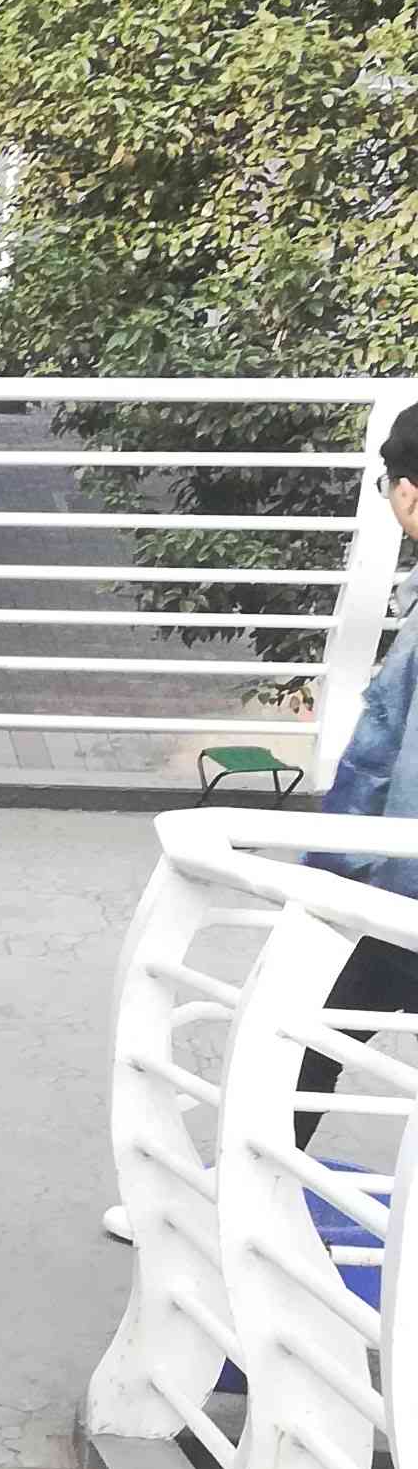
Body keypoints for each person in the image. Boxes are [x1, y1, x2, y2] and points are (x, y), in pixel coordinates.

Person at [300, 412, 418, 1156]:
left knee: (297, 1037)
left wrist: (329, 882)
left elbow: (388, 764)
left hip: (404, 898)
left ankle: (242, 1195)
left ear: (409, 492)